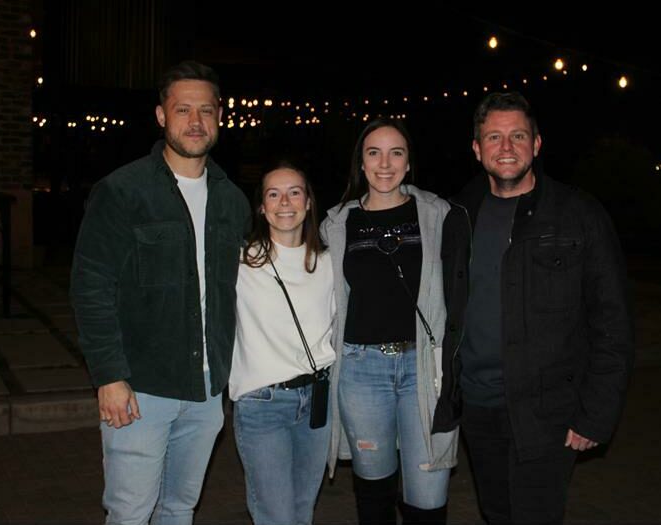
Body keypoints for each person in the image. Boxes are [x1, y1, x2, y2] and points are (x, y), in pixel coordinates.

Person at [440, 91, 634, 525]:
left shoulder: (578, 214)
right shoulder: (456, 216)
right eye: (494, 137)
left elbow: (613, 323)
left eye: (517, 136)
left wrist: (596, 415)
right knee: (497, 514)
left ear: (537, 144)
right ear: (477, 149)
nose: (506, 148)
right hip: (479, 407)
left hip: (549, 413)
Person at [70, 60, 250, 524]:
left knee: (179, 509)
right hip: (140, 390)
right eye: (183, 109)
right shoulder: (123, 191)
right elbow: (91, 287)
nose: (195, 122)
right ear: (160, 116)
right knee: (131, 512)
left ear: (219, 117)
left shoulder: (233, 200)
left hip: (208, 392)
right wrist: (108, 376)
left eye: (206, 111)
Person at [321, 118, 458, 525]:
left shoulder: (438, 214)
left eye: (396, 152)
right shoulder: (336, 224)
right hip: (362, 372)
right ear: (360, 163)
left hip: (423, 371)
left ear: (408, 162)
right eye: (373, 152)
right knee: (374, 495)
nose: (385, 163)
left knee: (428, 498)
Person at [229, 162, 335, 525]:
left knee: (302, 511)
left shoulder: (329, 261)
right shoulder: (240, 262)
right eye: (273, 194)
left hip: (317, 403)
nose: (284, 202)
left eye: (294, 192)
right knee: (275, 515)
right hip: (263, 405)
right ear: (261, 206)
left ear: (308, 203)